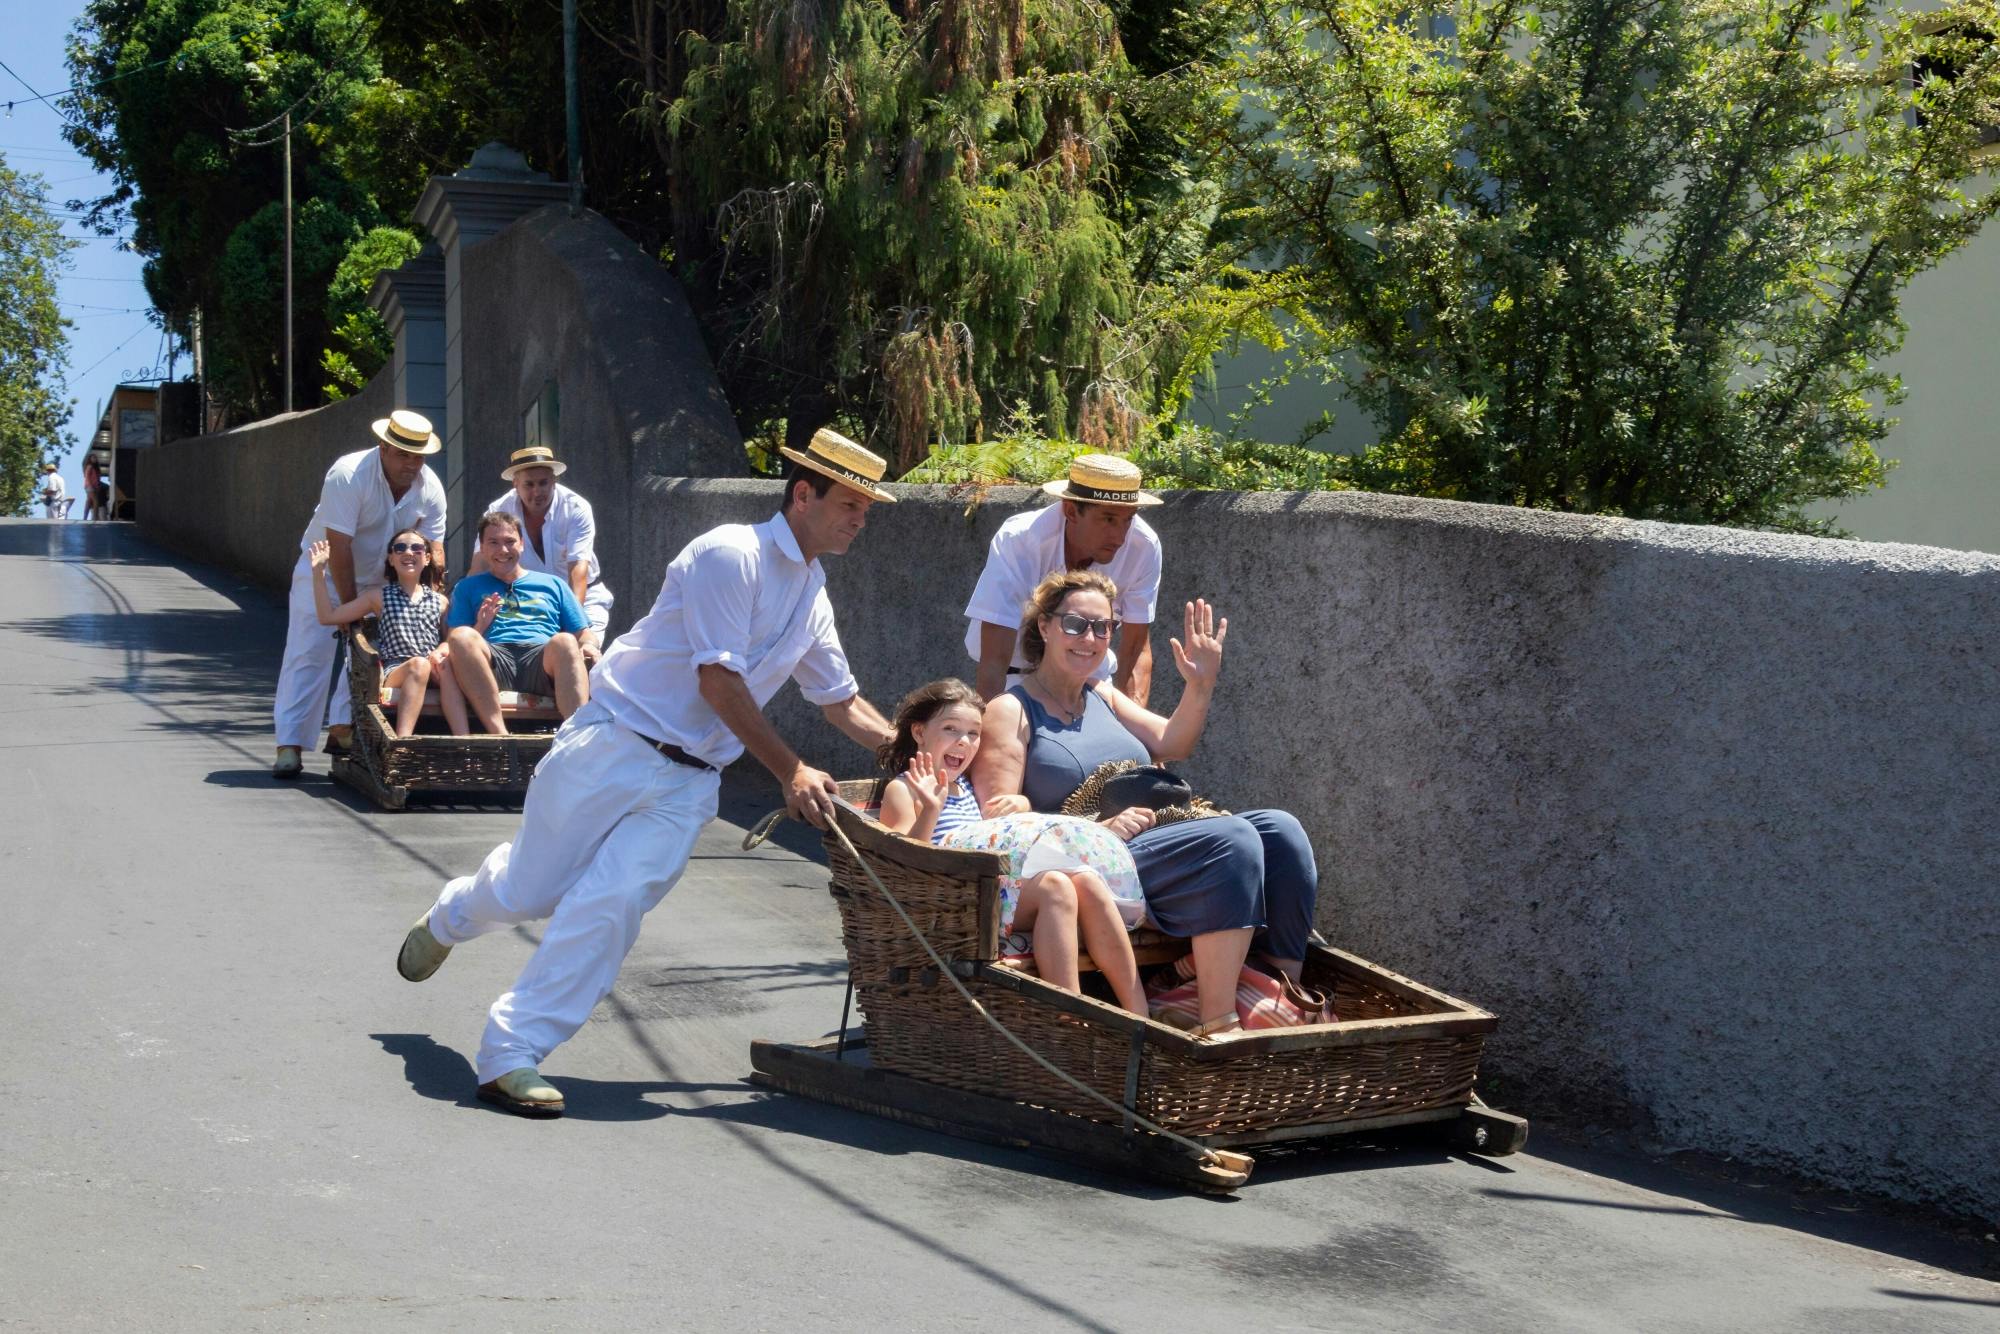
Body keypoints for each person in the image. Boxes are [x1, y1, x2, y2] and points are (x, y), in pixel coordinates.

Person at [397, 427, 901, 1117]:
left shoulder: (812, 594)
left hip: (688, 784)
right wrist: (791, 770)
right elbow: (719, 682)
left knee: (610, 906)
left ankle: (510, 1054)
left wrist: (909, 750)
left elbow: (840, 701)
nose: (861, 519)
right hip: (614, 744)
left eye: (868, 510)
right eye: (851, 503)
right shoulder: (733, 555)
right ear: (804, 493)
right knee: (528, 890)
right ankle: (454, 914)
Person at [969, 570, 1320, 1039]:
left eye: (1103, 627)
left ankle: (1276, 994)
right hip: (1094, 861)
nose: (1089, 638)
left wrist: (1201, 684)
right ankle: (1217, 1022)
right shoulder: (1011, 709)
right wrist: (1098, 828)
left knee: (1281, 830)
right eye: (1075, 624)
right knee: (1232, 839)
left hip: (1155, 839)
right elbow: (997, 820)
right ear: (1044, 628)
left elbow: (1174, 741)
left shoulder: (1103, 694)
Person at [876, 679, 1149, 1015]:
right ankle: (1070, 1014)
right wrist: (931, 808)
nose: (963, 742)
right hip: (951, 901)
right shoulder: (903, 790)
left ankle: (1139, 1015)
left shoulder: (966, 784)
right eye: (950, 729)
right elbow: (901, 865)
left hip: (990, 887)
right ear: (919, 733)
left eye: (973, 734)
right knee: (1055, 887)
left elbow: (997, 827)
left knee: (1086, 879)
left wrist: (1020, 803)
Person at [272, 410, 445, 779]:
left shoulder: (431, 488)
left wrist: (428, 602)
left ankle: (342, 729)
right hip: (325, 571)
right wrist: (352, 612)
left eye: (419, 456)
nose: (412, 464)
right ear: (384, 447)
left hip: (384, 581)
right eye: (403, 454)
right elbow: (340, 546)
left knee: (368, 658)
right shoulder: (348, 474)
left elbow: (434, 550)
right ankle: (289, 744)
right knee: (308, 653)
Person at [962, 453, 1164, 708]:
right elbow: (994, 655)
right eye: (1108, 519)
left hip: (1092, 679)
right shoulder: (1019, 539)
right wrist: (989, 732)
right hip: (1015, 679)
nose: (1121, 535)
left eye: (1128, 519)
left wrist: (1132, 732)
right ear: (1070, 510)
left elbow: (1136, 648)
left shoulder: (1144, 545)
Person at [306, 531, 468, 738]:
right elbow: (328, 616)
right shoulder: (379, 596)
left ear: (427, 558)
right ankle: (402, 741)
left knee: (444, 666)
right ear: (391, 559)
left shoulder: (440, 601)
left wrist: (441, 651)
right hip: (397, 669)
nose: (408, 552)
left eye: (416, 548)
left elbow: (449, 640)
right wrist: (317, 573)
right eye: (400, 548)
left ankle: (464, 741)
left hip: (432, 666)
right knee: (419, 665)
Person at [444, 512, 592, 732]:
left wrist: (590, 646)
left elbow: (583, 633)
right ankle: (500, 736)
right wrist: (480, 625)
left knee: (565, 641)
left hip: (540, 659)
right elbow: (454, 642)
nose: (503, 550)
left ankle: (578, 738)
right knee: (462, 636)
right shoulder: (467, 587)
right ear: (482, 548)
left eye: (510, 541)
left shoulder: (553, 584)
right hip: (494, 659)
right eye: (493, 542)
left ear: (522, 545)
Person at [471, 445, 614, 645]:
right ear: (515, 484)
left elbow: (578, 573)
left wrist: (570, 625)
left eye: (543, 483)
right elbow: (479, 567)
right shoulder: (498, 510)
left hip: (583, 598)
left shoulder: (576, 508)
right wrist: (467, 616)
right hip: (528, 602)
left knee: (584, 655)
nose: (537, 492)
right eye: (529, 484)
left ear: (554, 481)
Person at [81, 457, 103, 522]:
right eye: (93, 458)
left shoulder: (96, 469)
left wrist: (98, 486)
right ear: (90, 459)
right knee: (95, 500)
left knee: (89, 501)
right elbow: (87, 476)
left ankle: (85, 518)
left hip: (95, 487)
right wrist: (90, 485)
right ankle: (95, 517)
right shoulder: (89, 466)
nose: (94, 459)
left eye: (95, 458)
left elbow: (98, 479)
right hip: (89, 486)